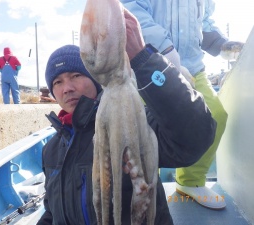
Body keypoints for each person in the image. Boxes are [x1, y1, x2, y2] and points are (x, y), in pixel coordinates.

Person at [37, 10, 216, 225]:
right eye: (57, 82)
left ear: (95, 77)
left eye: (76, 76)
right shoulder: (52, 150)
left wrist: (143, 58)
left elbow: (194, 137)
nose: (67, 88)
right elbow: (52, 213)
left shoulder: (137, 122)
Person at [120, 0, 244, 209]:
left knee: (215, 115)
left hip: (192, 68)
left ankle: (190, 181)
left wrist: (221, 45)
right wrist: (165, 49)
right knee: (145, 129)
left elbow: (204, 22)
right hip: (148, 66)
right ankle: (144, 188)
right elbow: (131, 10)